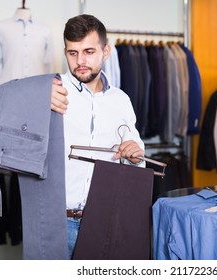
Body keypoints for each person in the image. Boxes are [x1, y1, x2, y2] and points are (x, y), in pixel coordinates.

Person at [51, 14, 145, 259]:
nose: (80, 61)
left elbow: (137, 159)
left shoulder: (121, 101)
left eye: (88, 51)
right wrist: (33, 96)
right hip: (55, 225)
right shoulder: (51, 89)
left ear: (106, 51)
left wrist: (136, 154)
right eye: (72, 53)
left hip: (103, 225)